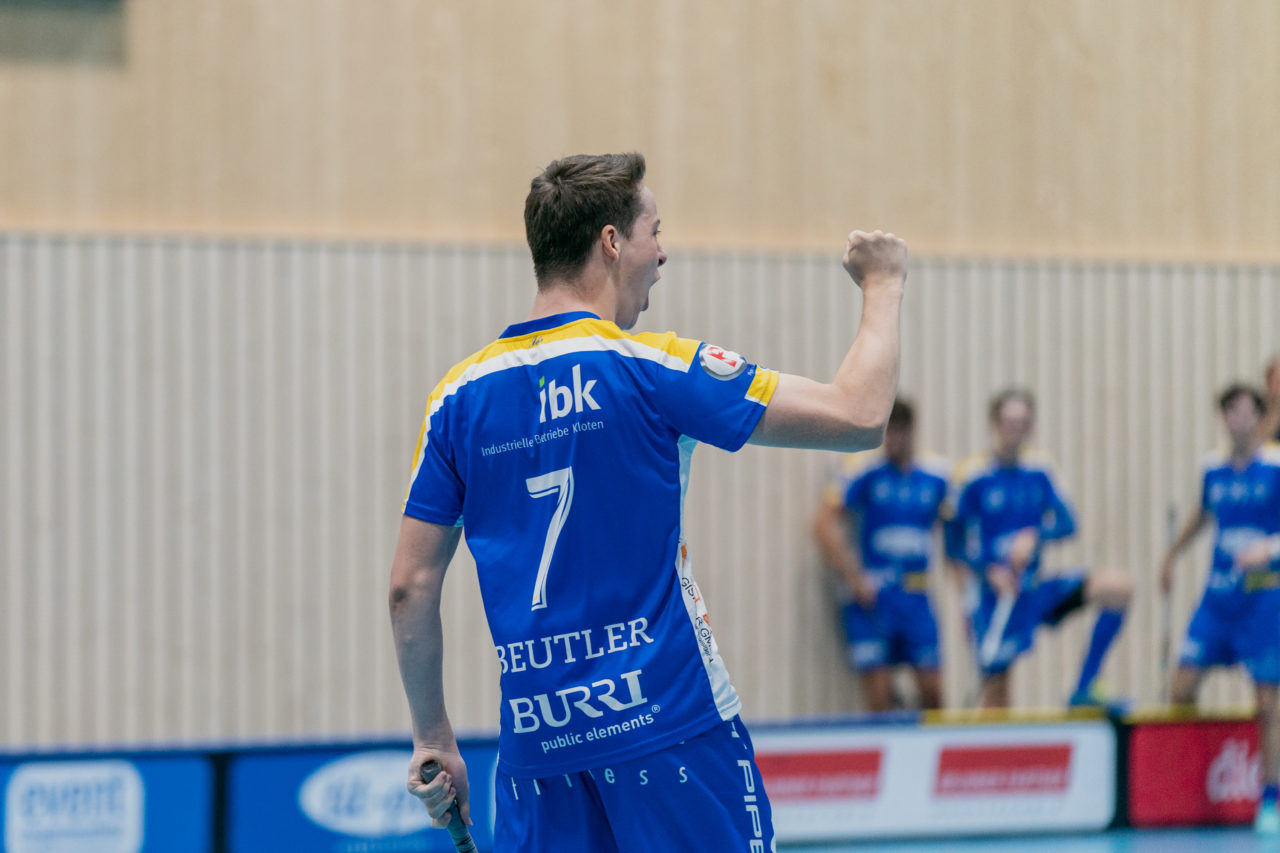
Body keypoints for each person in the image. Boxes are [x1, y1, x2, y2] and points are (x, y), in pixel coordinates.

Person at [388, 152, 908, 851]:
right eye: (653, 232)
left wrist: (432, 735)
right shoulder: (652, 368)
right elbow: (860, 414)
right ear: (611, 242)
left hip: (538, 757)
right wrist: (883, 283)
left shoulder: (456, 400)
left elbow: (410, 585)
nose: (661, 254)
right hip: (671, 733)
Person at [945, 388, 1133, 709]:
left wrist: (1036, 535)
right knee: (996, 695)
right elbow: (953, 543)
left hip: (1034, 589)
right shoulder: (973, 476)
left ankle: (1083, 689)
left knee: (1117, 588)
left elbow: (1068, 523)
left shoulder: (1040, 471)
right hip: (995, 598)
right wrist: (987, 572)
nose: (1014, 430)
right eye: (1008, 422)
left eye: (1022, 423)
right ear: (994, 424)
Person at [1159, 383, 1280, 833]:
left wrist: (1270, 548)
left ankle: (1270, 800)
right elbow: (1203, 512)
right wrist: (1172, 554)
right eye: (1231, 411)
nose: (1238, 419)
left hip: (1264, 595)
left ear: (1261, 419)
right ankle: (1187, 782)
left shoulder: (1275, 466)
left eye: (1247, 411)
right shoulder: (1213, 468)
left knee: (1266, 701)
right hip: (1217, 598)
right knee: (1182, 685)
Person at [812, 398, 949, 711]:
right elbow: (823, 524)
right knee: (879, 697)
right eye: (888, 431)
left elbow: (960, 530)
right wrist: (854, 577)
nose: (893, 440)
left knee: (933, 693)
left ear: (911, 431)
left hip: (916, 597)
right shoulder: (863, 471)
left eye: (899, 431)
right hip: (873, 599)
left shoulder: (936, 476)